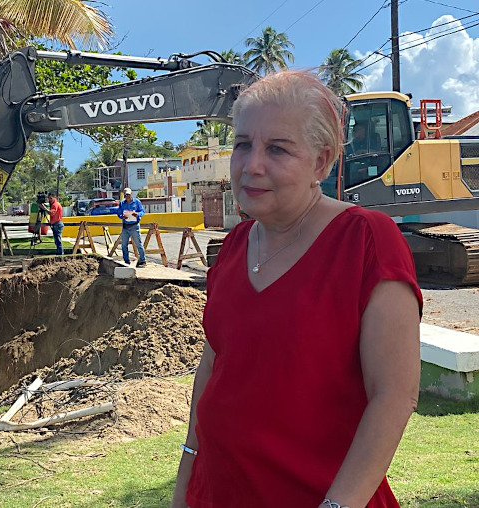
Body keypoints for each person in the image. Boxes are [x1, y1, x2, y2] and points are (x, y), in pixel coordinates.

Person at [171, 71, 422, 508]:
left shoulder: (366, 240)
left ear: (322, 163)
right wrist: (185, 479)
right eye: (243, 144)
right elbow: (212, 370)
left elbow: (394, 396)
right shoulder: (231, 248)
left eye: (278, 149)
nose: (252, 165)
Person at [116, 188, 147, 267]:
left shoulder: (137, 202)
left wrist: (137, 214)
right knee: (124, 245)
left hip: (134, 226)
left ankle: (143, 260)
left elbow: (142, 211)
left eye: (129, 195)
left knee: (138, 244)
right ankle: (126, 260)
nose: (127, 196)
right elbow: (119, 213)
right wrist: (122, 216)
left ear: (131, 194)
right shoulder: (122, 203)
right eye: (126, 195)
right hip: (125, 226)